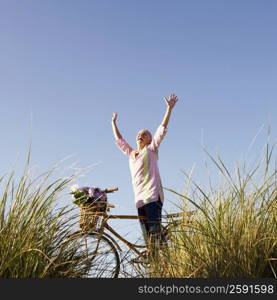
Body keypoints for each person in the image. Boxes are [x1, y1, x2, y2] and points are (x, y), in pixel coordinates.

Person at [111, 94, 178, 256]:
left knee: (155, 235)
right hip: (139, 200)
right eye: (138, 135)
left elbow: (161, 131)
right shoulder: (132, 154)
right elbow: (120, 141)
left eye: (144, 134)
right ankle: (157, 265)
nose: (140, 135)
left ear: (149, 139)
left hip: (153, 196)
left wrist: (169, 109)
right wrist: (113, 123)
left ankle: (168, 261)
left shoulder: (151, 149)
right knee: (149, 240)